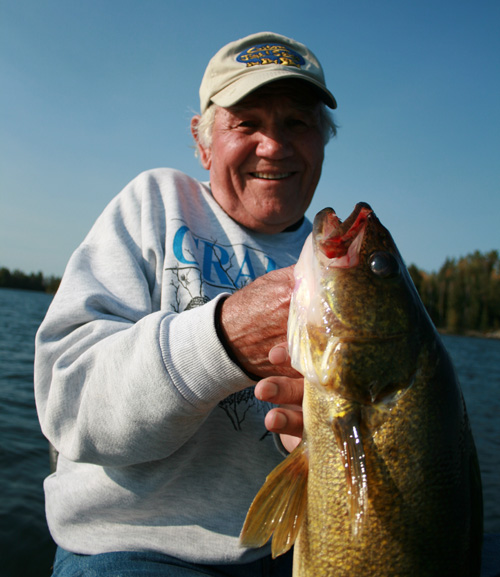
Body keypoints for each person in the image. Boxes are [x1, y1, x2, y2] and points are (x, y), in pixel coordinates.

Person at [34, 31, 337, 576]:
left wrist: (320, 437)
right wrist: (222, 338)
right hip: (134, 546)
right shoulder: (155, 203)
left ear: (323, 141)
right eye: (247, 123)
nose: (274, 145)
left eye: (298, 122)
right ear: (202, 141)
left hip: (294, 550)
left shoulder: (342, 259)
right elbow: (67, 400)